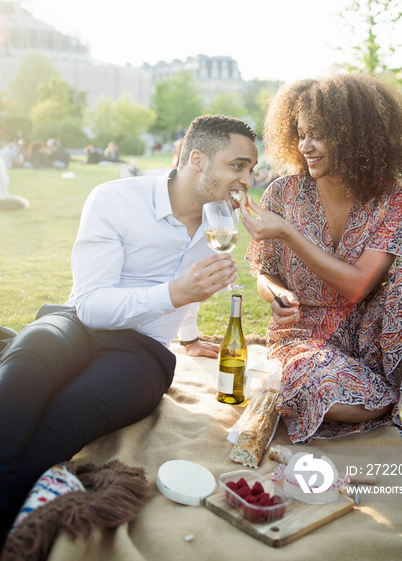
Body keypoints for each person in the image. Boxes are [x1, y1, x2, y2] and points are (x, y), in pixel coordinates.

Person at [0, 114, 258, 546]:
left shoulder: (220, 219)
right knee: (25, 369)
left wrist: (189, 333)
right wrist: (174, 293)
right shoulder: (115, 199)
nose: (247, 180)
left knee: (70, 410)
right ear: (198, 159)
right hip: (77, 320)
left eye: (250, 168)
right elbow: (94, 306)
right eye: (238, 166)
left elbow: (196, 278)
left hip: (142, 351)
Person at [241, 73, 402, 446]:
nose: (306, 145)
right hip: (305, 333)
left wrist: (287, 233)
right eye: (300, 133)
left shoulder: (394, 199)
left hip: (377, 330)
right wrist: (278, 295)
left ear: (355, 134)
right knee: (347, 402)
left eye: (318, 134)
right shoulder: (282, 193)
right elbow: (265, 273)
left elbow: (359, 286)